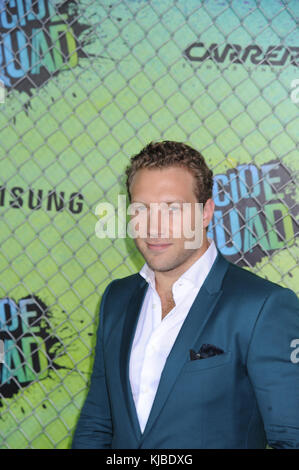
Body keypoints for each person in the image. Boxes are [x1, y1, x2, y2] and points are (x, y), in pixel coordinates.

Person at [72, 141, 299, 449]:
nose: (154, 227)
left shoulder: (262, 307)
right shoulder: (117, 298)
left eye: (172, 209)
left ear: (206, 212)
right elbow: (98, 421)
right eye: (141, 209)